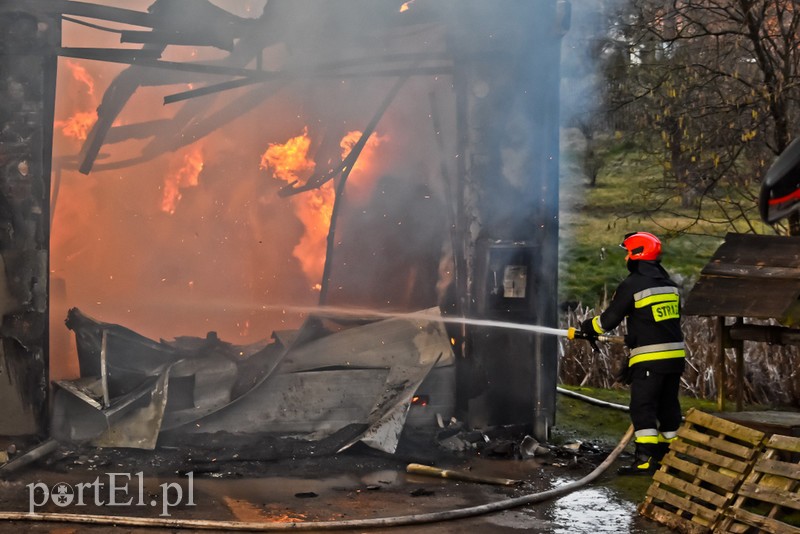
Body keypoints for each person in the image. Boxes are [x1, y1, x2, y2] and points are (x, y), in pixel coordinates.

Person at [580, 231, 685, 476]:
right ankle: (670, 457)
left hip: (650, 359)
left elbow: (607, 321)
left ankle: (645, 460)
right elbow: (659, 321)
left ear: (637, 254)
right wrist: (635, 336)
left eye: (628, 252)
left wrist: (588, 328)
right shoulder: (669, 285)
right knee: (668, 406)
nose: (626, 257)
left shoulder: (633, 284)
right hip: (675, 358)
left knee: (643, 407)